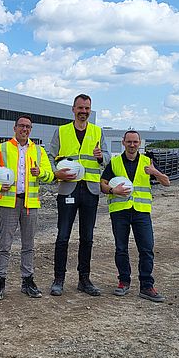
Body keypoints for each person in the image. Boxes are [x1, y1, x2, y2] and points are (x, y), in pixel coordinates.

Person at [0, 115, 54, 300]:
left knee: (28, 245)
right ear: (14, 128)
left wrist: (41, 173)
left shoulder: (38, 151)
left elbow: (50, 175)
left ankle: (27, 281)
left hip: (30, 203)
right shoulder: (2, 149)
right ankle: (0, 282)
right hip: (8, 202)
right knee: (5, 245)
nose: (24, 129)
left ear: (31, 129)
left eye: (28, 127)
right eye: (21, 126)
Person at [49, 93, 110, 297]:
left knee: (87, 237)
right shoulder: (62, 131)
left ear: (90, 111)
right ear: (73, 109)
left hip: (90, 190)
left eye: (87, 109)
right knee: (63, 236)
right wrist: (55, 173)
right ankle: (59, 279)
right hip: (68, 188)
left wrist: (102, 157)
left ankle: (84, 279)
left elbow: (108, 158)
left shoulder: (97, 131)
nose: (83, 112)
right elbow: (50, 157)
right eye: (80, 108)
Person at [100, 130, 170, 302]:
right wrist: (112, 190)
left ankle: (147, 286)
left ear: (140, 143)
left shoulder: (148, 162)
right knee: (121, 248)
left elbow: (167, 182)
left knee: (146, 248)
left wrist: (155, 172)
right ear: (123, 142)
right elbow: (102, 184)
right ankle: (124, 281)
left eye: (135, 142)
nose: (132, 145)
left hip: (141, 211)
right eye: (129, 142)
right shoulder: (115, 162)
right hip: (120, 211)